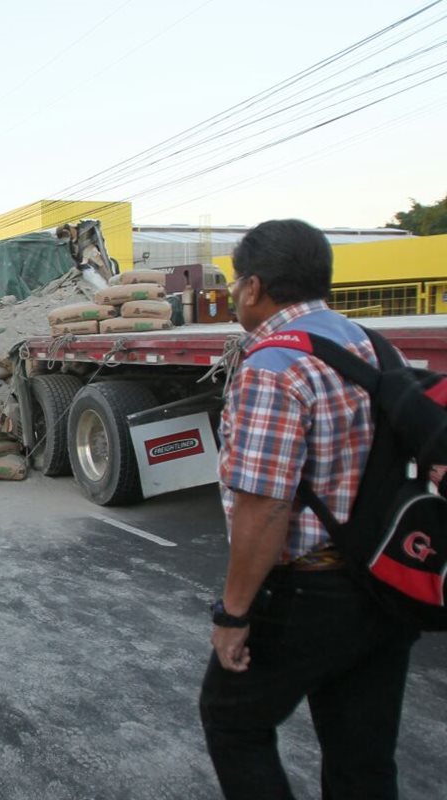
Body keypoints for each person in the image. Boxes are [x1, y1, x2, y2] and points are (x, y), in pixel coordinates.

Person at [199, 219, 420, 799]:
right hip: (386, 580)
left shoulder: (274, 367)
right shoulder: (371, 344)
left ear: (253, 287)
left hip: (309, 593)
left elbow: (264, 509)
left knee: (233, 722)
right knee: (364, 761)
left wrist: (233, 615)